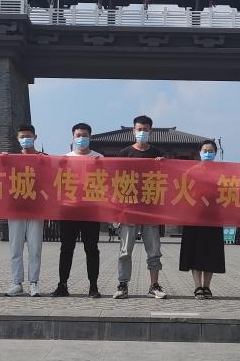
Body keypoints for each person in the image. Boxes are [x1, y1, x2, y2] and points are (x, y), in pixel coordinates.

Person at [114, 115, 166, 300]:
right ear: (133, 131)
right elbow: (116, 180)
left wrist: (163, 165)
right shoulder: (124, 153)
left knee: (154, 251)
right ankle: (123, 285)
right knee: (125, 251)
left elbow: (167, 180)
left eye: (145, 130)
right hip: (129, 209)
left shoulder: (158, 154)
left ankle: (154, 285)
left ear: (151, 131)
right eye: (139, 129)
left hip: (150, 210)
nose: (142, 132)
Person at [51, 123, 102, 297]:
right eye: (78, 135)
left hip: (91, 210)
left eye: (84, 135)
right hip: (69, 210)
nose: (81, 138)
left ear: (90, 137)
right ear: (73, 138)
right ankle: (62, 285)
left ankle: (93, 286)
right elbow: (55, 182)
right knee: (66, 248)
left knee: (91, 249)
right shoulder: (64, 159)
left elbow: (106, 183)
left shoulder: (99, 158)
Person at [179, 140, 225, 299]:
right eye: (205, 150)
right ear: (200, 152)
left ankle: (207, 286)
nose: (208, 153)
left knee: (211, 252)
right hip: (194, 216)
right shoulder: (191, 171)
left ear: (215, 153)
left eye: (211, 151)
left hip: (214, 216)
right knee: (195, 251)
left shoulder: (221, 172)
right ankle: (198, 286)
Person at [7, 124, 45, 297]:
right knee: (15, 248)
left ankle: (34, 283)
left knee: (35, 248)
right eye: (22, 137)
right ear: (17, 139)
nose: (25, 140)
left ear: (35, 137)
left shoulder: (44, 158)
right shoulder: (12, 159)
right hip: (16, 209)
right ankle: (17, 283)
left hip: (37, 209)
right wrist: (1, 160)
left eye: (28, 136)